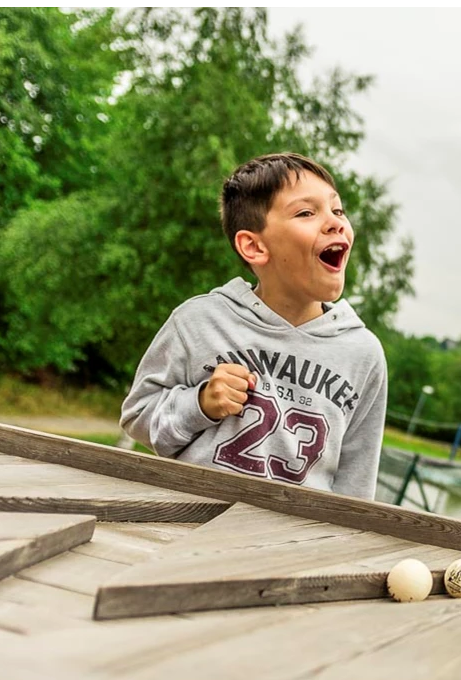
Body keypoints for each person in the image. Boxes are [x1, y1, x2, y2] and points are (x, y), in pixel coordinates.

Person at [120, 152, 388, 499]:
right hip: (188, 523)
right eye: (307, 212)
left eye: (337, 210)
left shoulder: (363, 354)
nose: (335, 222)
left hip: (287, 545)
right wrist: (199, 403)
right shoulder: (198, 322)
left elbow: (356, 484)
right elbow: (138, 418)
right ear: (254, 246)